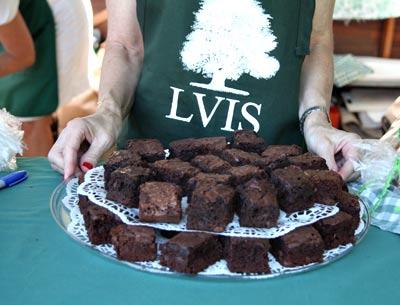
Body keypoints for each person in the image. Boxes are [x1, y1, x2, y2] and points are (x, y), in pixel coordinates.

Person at [49, 0, 361, 181]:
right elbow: (126, 46)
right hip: (152, 170)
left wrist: (316, 119)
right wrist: (108, 113)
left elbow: (315, 42)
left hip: (274, 173)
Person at [0, 0, 58, 156]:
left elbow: (22, 56)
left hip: (36, 29)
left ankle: (44, 178)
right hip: (9, 24)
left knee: (27, 121)